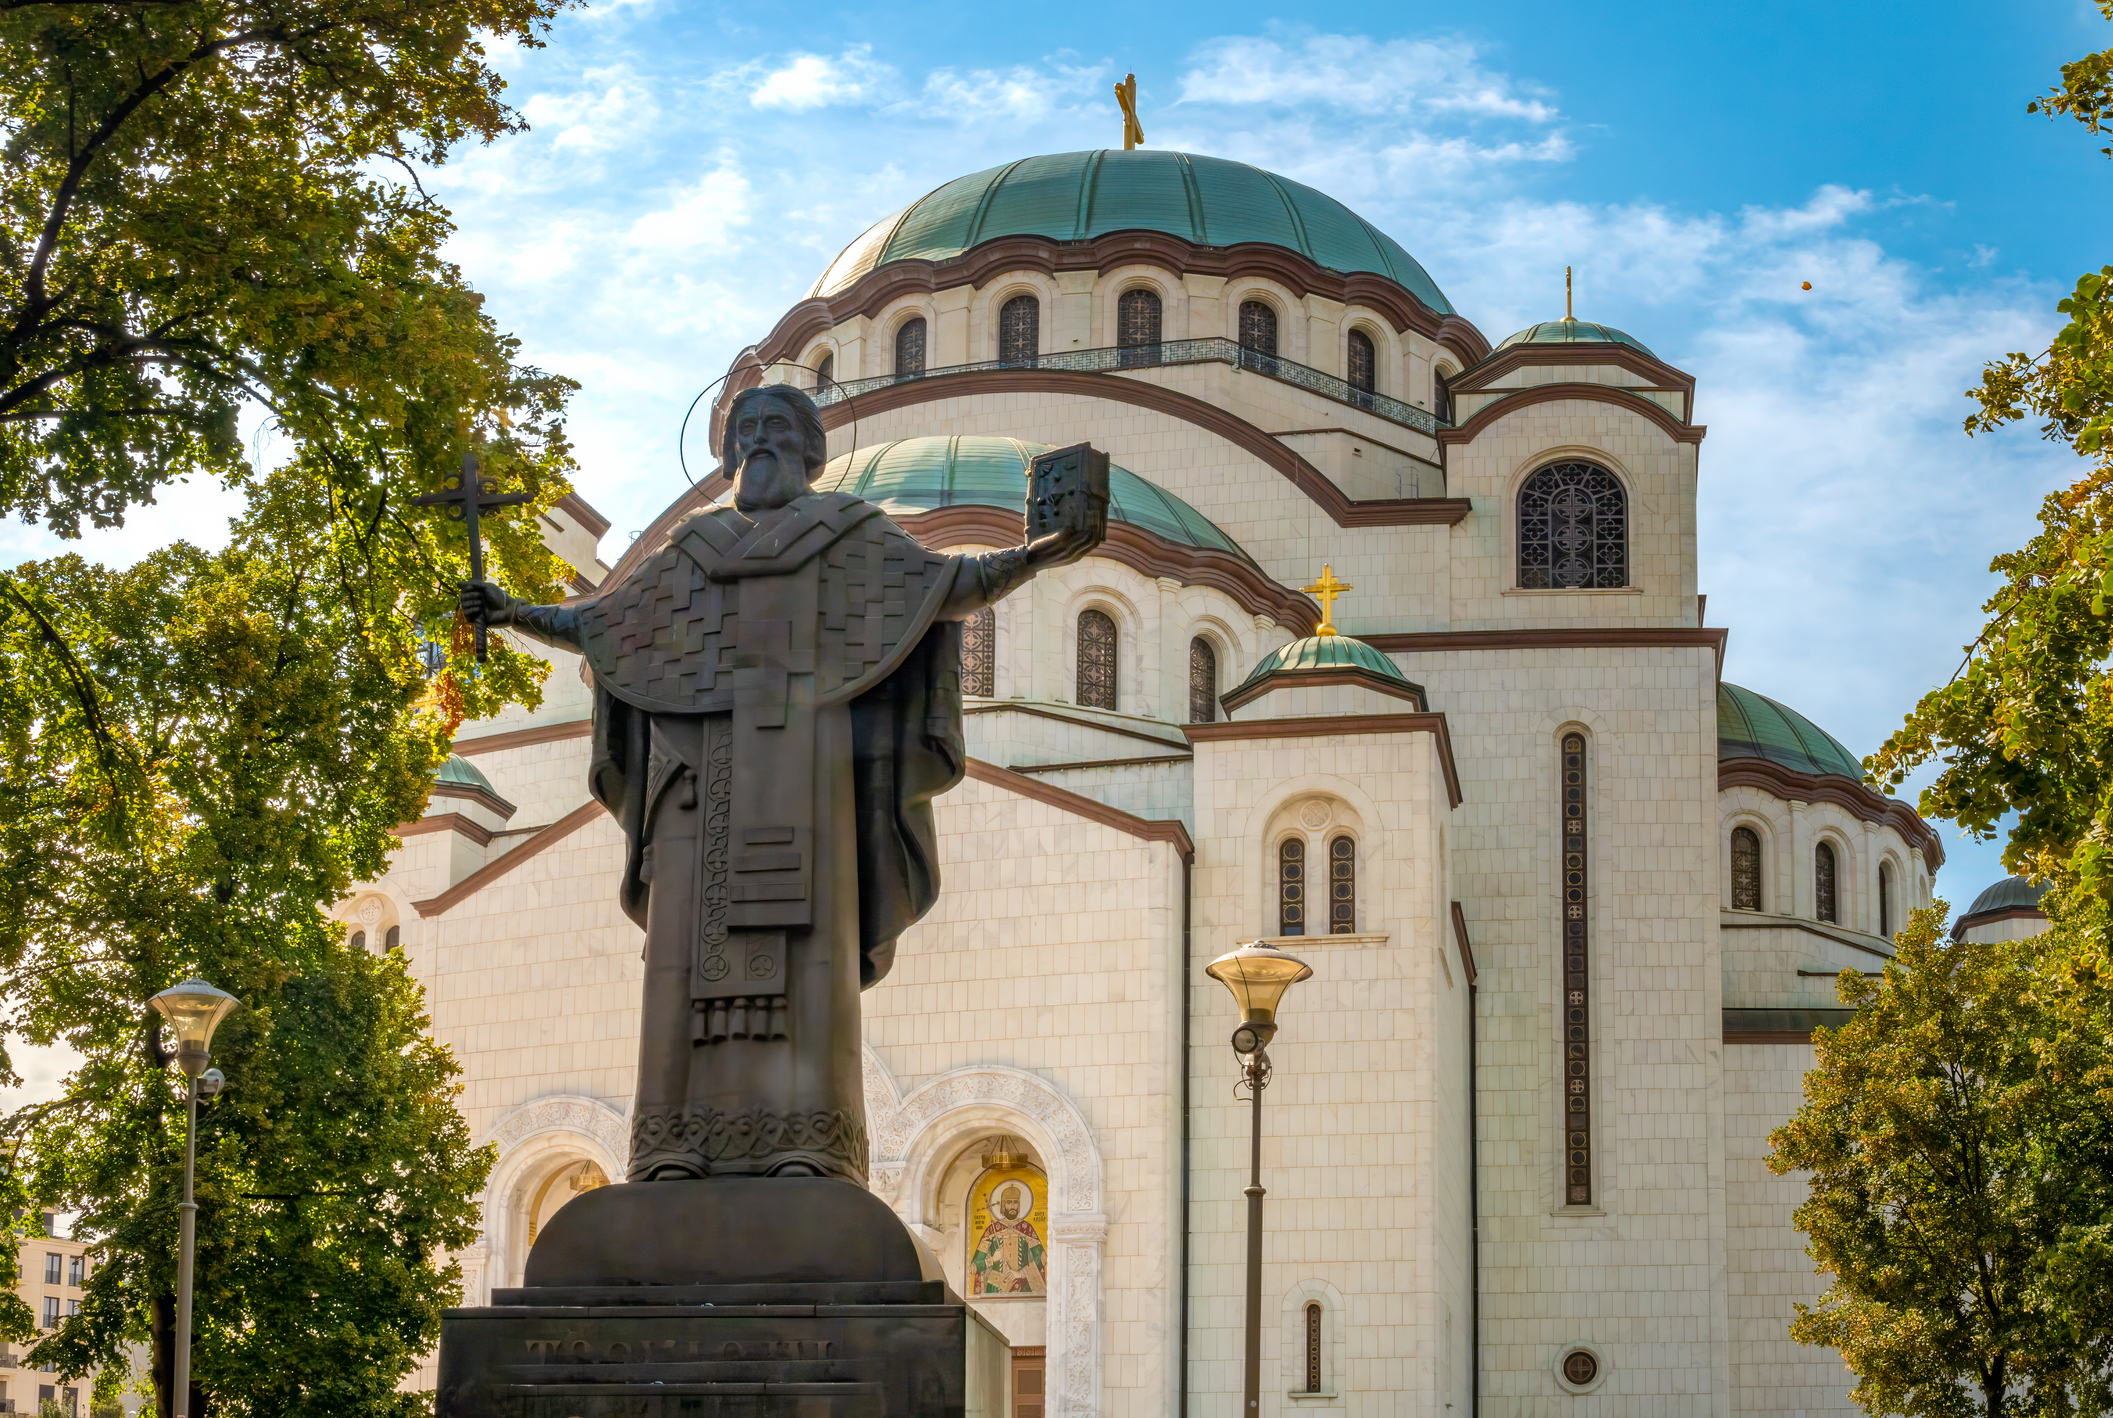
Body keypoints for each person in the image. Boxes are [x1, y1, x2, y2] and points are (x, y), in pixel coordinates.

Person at [461, 385, 1098, 1181]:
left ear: (808, 450)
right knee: (679, 965)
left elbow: (946, 585)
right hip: (693, 789)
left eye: (776, 430)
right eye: (745, 431)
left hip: (811, 783)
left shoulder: (852, 536)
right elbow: (603, 623)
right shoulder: (690, 548)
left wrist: (1038, 552)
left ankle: (810, 1148)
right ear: (729, 454)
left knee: (809, 960)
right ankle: (670, 1151)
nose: (758, 443)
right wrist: (514, 611)